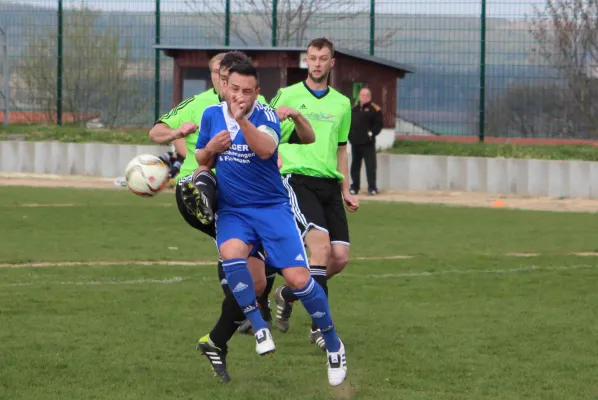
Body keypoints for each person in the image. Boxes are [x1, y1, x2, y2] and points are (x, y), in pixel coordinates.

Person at [195, 61, 347, 387]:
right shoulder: (210, 115)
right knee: (232, 254)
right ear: (225, 86)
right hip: (234, 210)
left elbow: (265, 150)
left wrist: (241, 121)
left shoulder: (265, 115)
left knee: (299, 279)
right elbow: (202, 159)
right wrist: (210, 148)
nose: (239, 96)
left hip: (271, 209)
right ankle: (259, 327)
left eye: (246, 91)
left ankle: (334, 345)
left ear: (257, 93)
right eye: (234, 89)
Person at [147, 52, 272, 382]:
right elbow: (155, 132)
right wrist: (177, 134)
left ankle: (217, 340)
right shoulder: (199, 105)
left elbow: (268, 145)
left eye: (228, 74)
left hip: (243, 197)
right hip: (197, 188)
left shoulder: (253, 108)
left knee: (258, 278)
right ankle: (208, 208)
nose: (224, 80)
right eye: (218, 73)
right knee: (214, 194)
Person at [266, 37, 359, 350]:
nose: (317, 63)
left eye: (323, 58)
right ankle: (321, 327)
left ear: (332, 63)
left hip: (329, 184)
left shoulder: (342, 103)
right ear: (307, 60)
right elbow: (266, 130)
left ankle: (290, 293)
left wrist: (346, 188)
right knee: (318, 247)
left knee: (340, 257)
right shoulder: (288, 95)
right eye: (312, 58)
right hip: (297, 179)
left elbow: (342, 149)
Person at [349, 87, 383, 196]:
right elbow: (349, 124)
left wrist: (371, 133)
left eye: (365, 95)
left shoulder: (374, 109)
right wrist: (350, 136)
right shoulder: (354, 109)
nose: (363, 97)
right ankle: (354, 187)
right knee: (355, 166)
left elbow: (379, 124)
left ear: (369, 97)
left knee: (370, 166)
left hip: (368, 143)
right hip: (355, 142)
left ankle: (372, 188)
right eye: (361, 95)